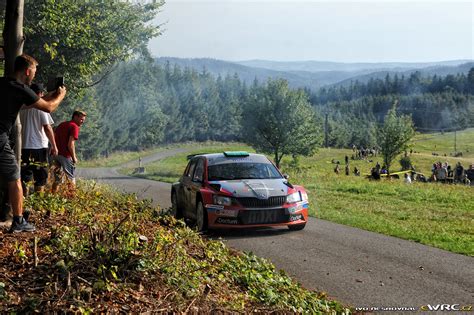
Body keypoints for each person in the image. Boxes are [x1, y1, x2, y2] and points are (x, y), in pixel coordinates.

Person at [0, 54, 66, 233]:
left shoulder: (4, 83)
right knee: (15, 178)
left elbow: (25, 104)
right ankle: (19, 220)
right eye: (34, 73)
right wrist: (60, 96)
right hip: (0, 138)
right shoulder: (21, 88)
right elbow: (49, 107)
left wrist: (49, 95)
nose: (34, 76)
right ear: (27, 71)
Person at [19, 83, 58, 194]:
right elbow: (47, 127)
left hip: (23, 147)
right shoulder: (41, 107)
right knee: (40, 178)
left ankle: (24, 202)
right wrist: (54, 145)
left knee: (25, 177)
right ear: (40, 94)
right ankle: (37, 202)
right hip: (38, 147)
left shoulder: (22, 107)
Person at [52, 110, 86, 191]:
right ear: (75, 117)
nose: (82, 122)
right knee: (70, 178)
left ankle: (53, 196)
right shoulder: (74, 126)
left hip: (55, 154)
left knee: (57, 179)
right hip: (65, 155)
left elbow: (53, 137)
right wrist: (74, 158)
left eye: (83, 120)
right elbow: (70, 144)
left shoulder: (62, 124)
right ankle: (71, 198)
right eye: (81, 119)